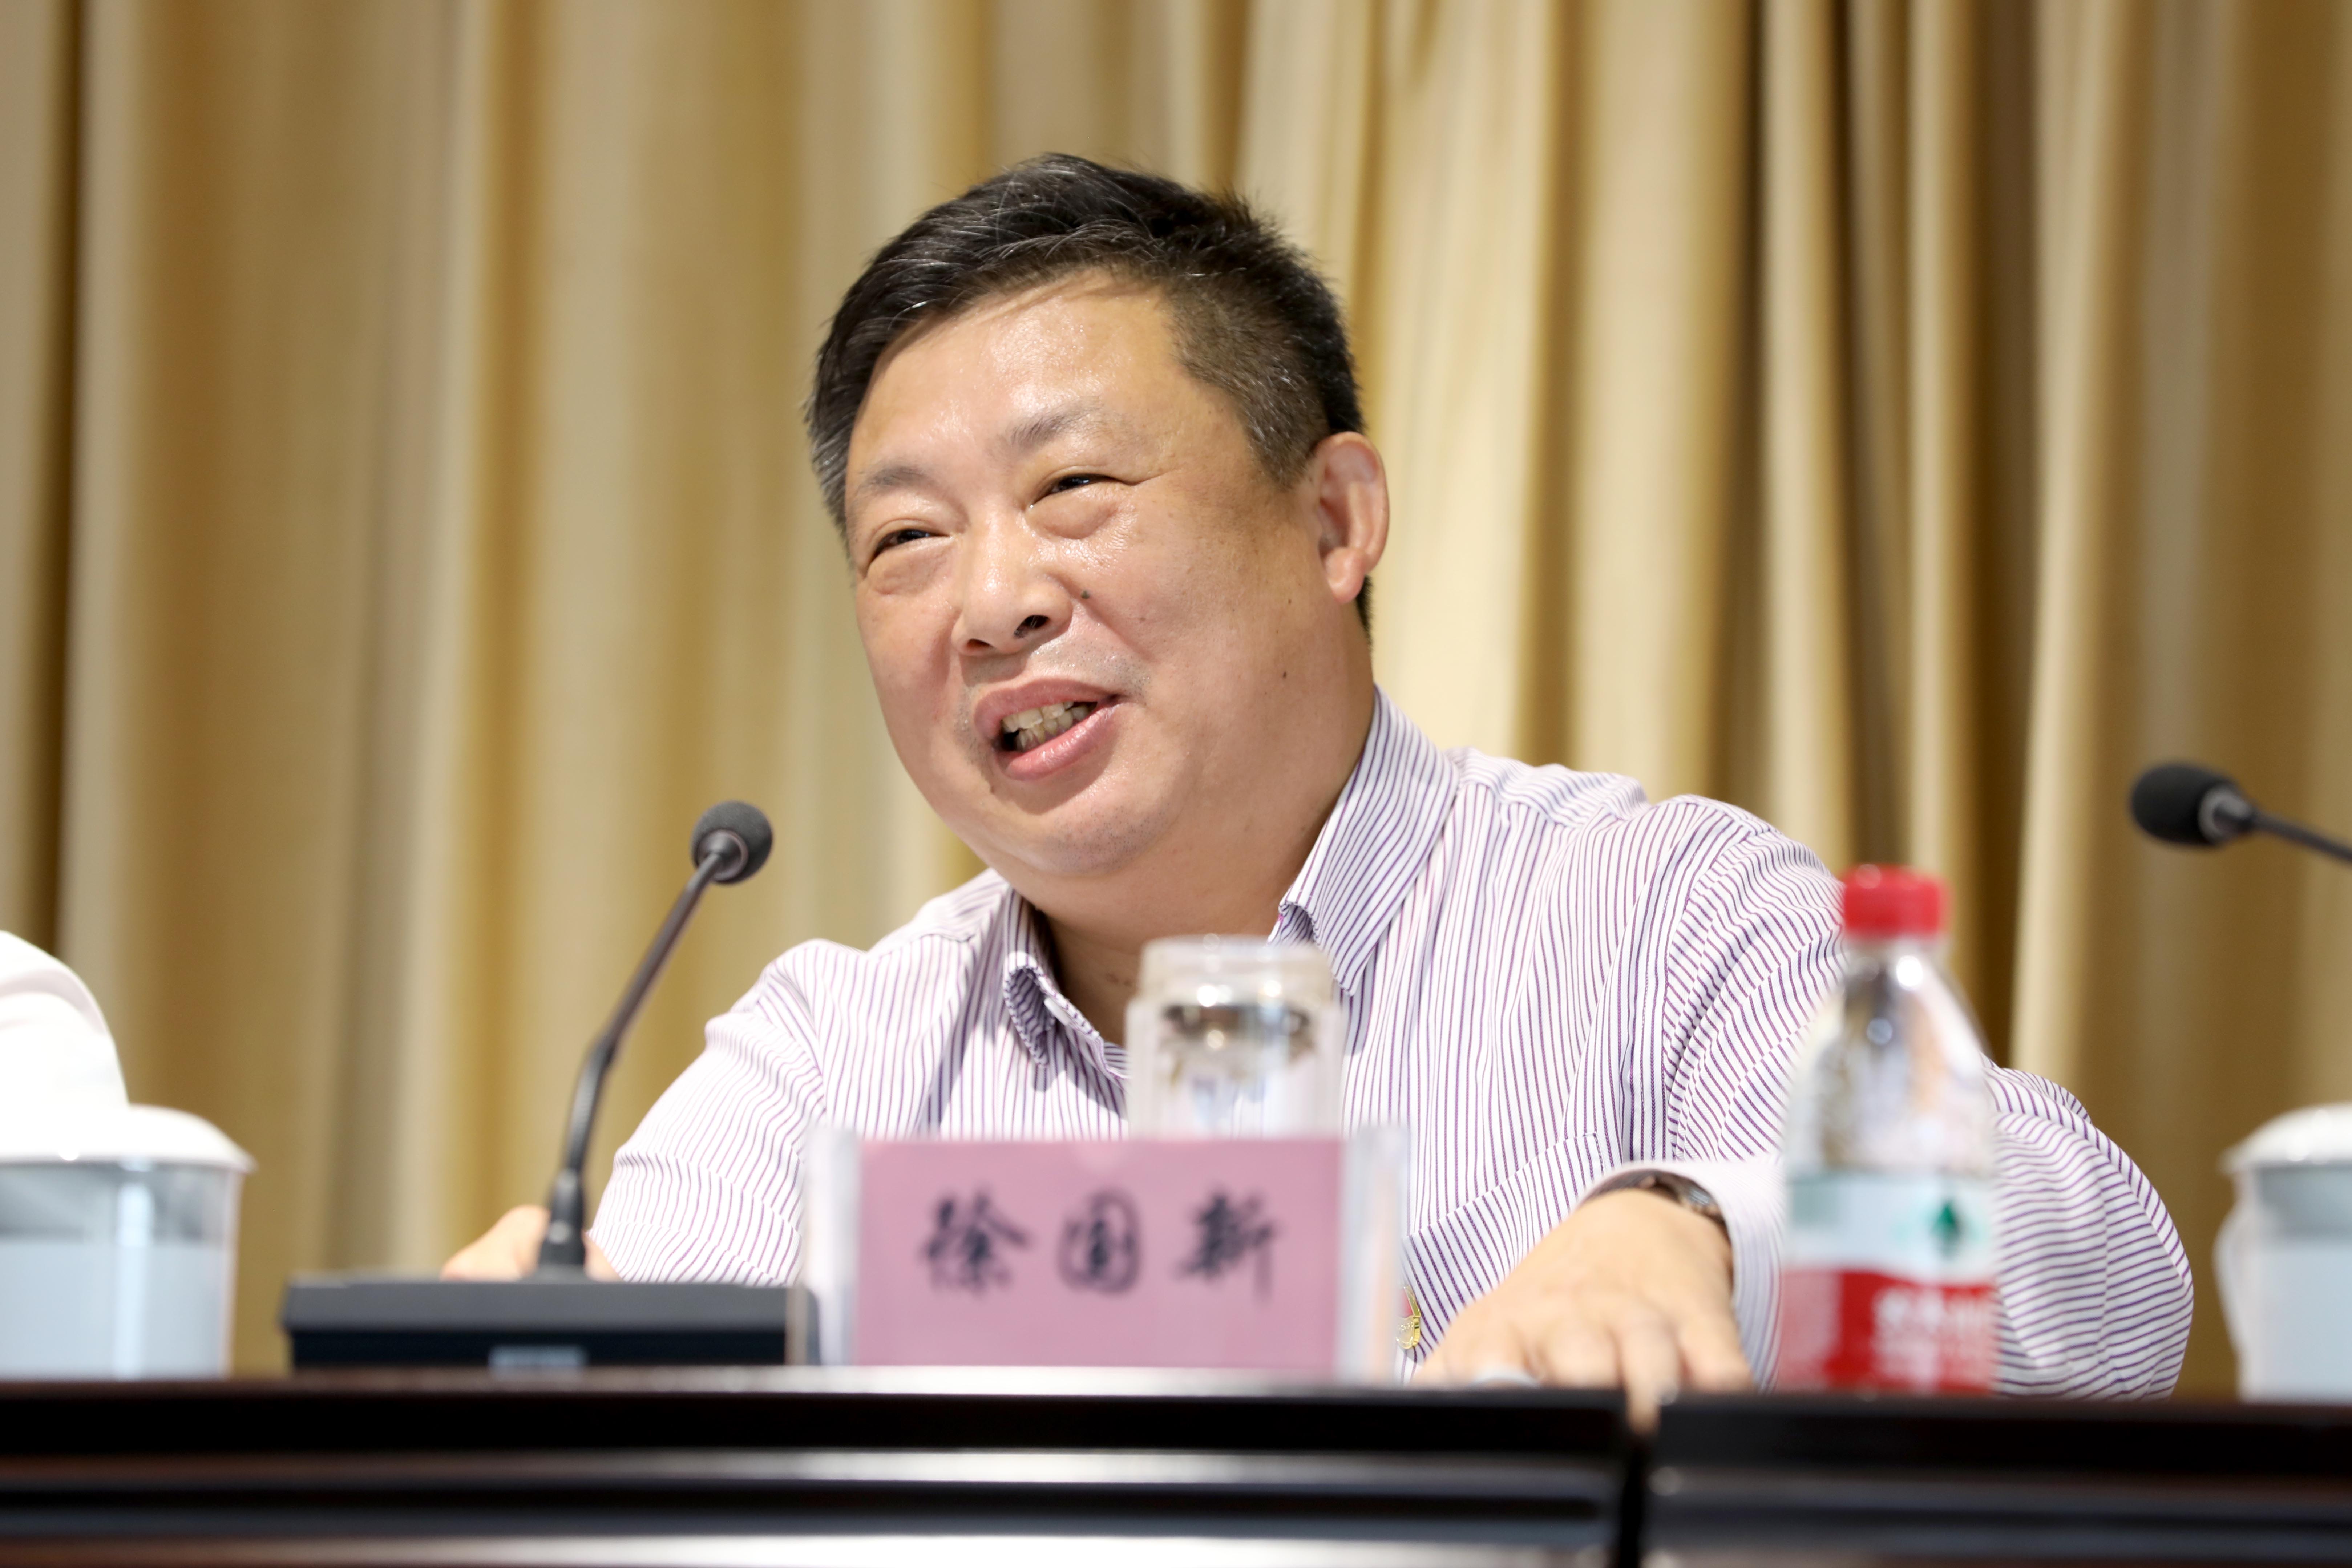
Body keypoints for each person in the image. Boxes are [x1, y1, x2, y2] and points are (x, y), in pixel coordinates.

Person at [448, 154, 2192, 1417]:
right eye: (906, 538)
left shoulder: (1652, 914)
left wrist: (1696, 1226)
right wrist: (528, 1353)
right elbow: (627, 1384)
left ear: (1334, 520)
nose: (991, 602)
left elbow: (2106, 1272)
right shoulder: (835, 1050)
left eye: (1071, 489)